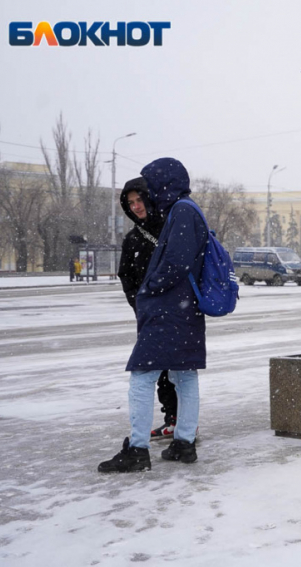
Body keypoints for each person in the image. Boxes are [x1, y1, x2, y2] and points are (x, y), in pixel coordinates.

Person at [98, 158, 207, 473]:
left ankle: (137, 450)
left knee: (142, 376)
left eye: (150, 186)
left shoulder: (181, 212)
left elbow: (175, 263)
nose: (147, 195)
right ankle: (184, 443)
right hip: (182, 309)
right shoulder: (181, 212)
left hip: (167, 309)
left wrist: (148, 291)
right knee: (184, 374)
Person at [117, 177, 178, 441]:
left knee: (179, 370)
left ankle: (181, 423)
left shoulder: (171, 228)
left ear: (149, 198)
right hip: (149, 315)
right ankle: (175, 421)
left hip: (177, 310)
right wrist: (140, 304)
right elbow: (126, 277)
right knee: (161, 370)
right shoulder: (132, 240)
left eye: (139, 200)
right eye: (130, 203)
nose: (136, 207)